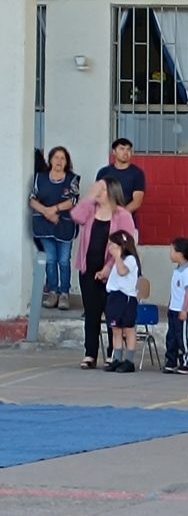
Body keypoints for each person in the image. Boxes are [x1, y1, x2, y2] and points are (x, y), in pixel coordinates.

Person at [70, 178, 136, 370]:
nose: (98, 191)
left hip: (113, 272)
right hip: (88, 270)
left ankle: (113, 354)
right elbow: (75, 216)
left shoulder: (122, 215)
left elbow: (126, 246)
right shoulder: (91, 210)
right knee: (91, 313)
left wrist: (108, 267)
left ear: (112, 191)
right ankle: (90, 354)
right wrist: (90, 197)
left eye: (102, 189)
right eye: (97, 187)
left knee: (112, 313)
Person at [30, 146, 81, 309]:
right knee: (50, 260)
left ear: (67, 162)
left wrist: (55, 209)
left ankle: (64, 294)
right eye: (56, 157)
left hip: (64, 225)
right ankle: (53, 292)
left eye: (63, 158)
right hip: (44, 225)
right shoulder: (40, 178)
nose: (59, 161)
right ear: (50, 160)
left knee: (64, 261)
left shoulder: (72, 179)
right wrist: (46, 212)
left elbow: (73, 200)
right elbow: (32, 199)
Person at [103, 230, 141, 374]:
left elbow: (122, 272)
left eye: (112, 244)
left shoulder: (129, 259)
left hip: (126, 298)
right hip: (114, 297)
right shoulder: (116, 262)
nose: (109, 247)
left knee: (128, 329)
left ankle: (129, 360)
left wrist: (117, 257)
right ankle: (117, 358)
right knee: (116, 329)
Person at [163, 237, 188, 375]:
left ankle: (186, 363)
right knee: (171, 337)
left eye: (172, 250)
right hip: (174, 309)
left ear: (180, 253)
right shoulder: (178, 270)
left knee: (183, 338)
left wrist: (184, 310)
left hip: (184, 311)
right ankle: (171, 361)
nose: (170, 253)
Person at [96, 138, 146, 228]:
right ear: (114, 152)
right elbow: (97, 196)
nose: (125, 152)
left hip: (127, 221)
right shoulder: (103, 172)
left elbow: (137, 202)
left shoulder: (137, 173)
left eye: (128, 149)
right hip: (104, 220)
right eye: (122, 149)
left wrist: (120, 215)